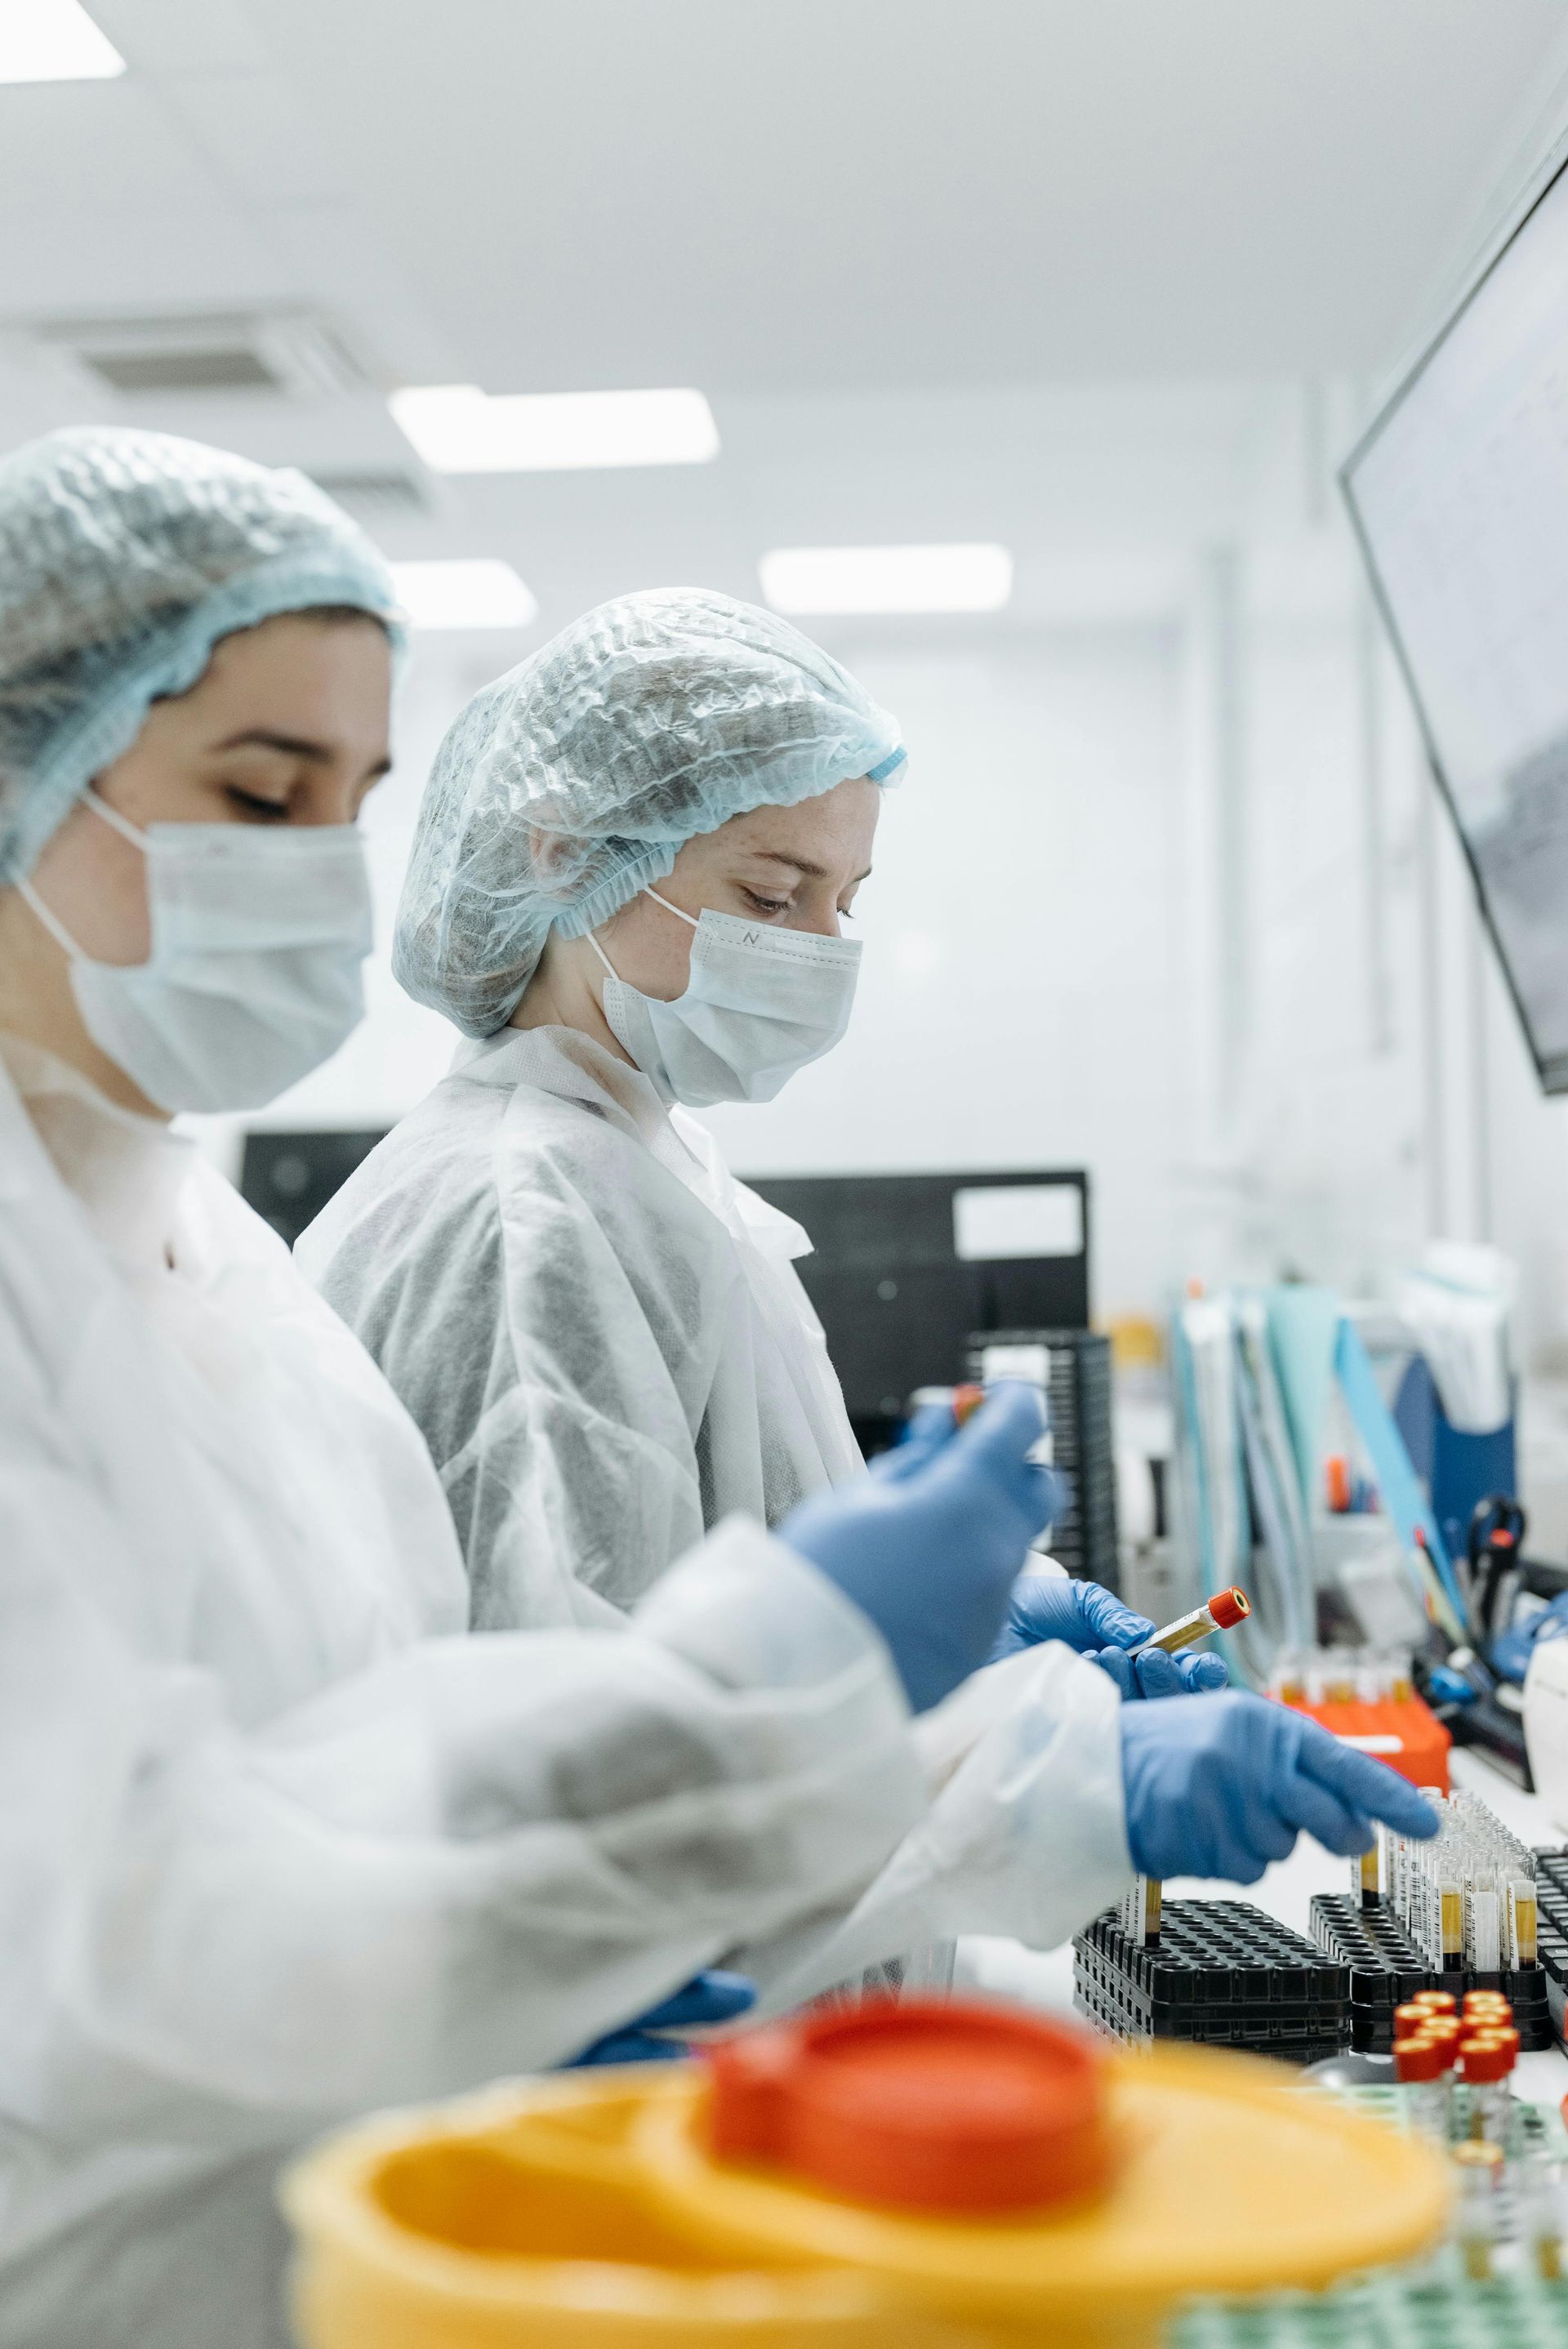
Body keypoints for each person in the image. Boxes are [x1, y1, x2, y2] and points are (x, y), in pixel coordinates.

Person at [0, 426, 1439, 2348]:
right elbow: (130, 1940)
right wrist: (826, 1656)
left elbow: (420, 1753)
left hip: (339, 2246)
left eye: (348, 802)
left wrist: (1031, 1759)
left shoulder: (199, 1249)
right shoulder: (491, 1213)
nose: (320, 881)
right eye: (259, 791)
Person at [297, 590, 1223, 1708]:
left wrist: (905, 1628)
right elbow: (592, 1743)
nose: (825, 948)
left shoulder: (635, 1156)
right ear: (564, 852)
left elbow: (701, 1585)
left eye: (846, 899)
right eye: (772, 893)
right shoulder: (525, 1217)